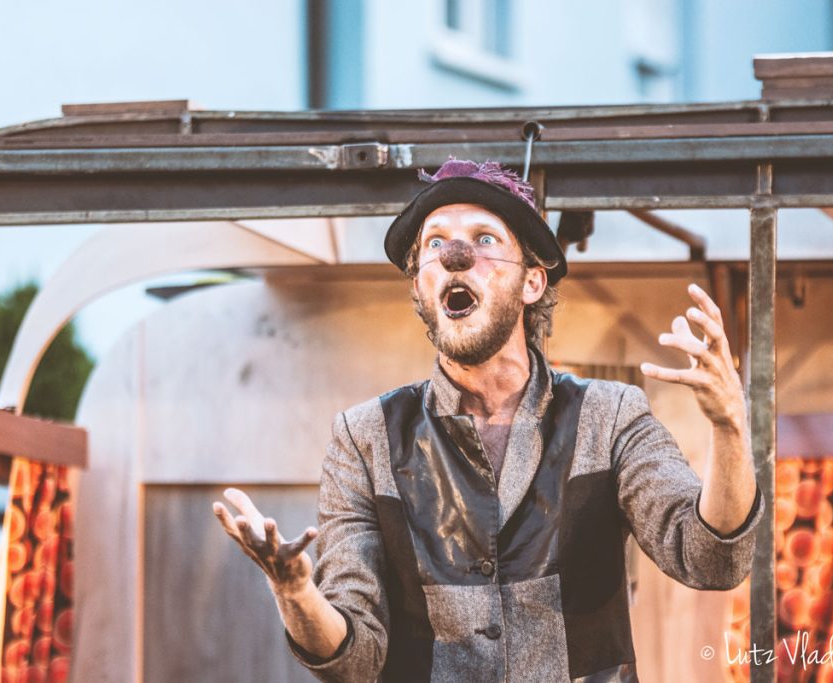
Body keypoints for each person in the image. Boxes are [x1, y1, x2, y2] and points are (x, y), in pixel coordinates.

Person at [212, 159, 764, 682]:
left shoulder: (610, 416)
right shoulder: (364, 438)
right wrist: (296, 593)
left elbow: (710, 559)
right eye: (435, 243)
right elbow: (354, 661)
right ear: (419, 287)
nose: (455, 254)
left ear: (532, 283)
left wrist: (730, 429)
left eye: (484, 239)